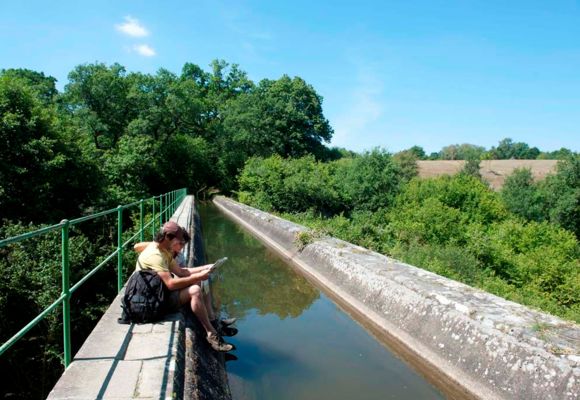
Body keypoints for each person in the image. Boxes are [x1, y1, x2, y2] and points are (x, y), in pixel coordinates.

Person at [134, 220, 236, 352]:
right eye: (179, 241)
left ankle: (213, 323)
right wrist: (199, 276)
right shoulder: (156, 255)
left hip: (159, 293)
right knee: (195, 290)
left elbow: (181, 272)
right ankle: (212, 334)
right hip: (152, 301)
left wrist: (206, 267)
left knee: (199, 283)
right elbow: (170, 284)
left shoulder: (164, 251)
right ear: (168, 238)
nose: (181, 244)